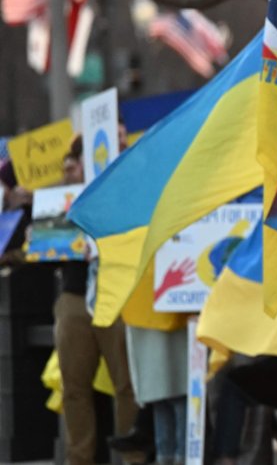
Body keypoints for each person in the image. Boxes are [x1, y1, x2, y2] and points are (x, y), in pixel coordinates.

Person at [55, 136, 138, 465]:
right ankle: (80, 458)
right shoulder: (65, 195)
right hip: (76, 294)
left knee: (127, 383)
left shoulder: (129, 184)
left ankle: (133, 458)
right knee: (74, 385)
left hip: (116, 291)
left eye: (120, 140)